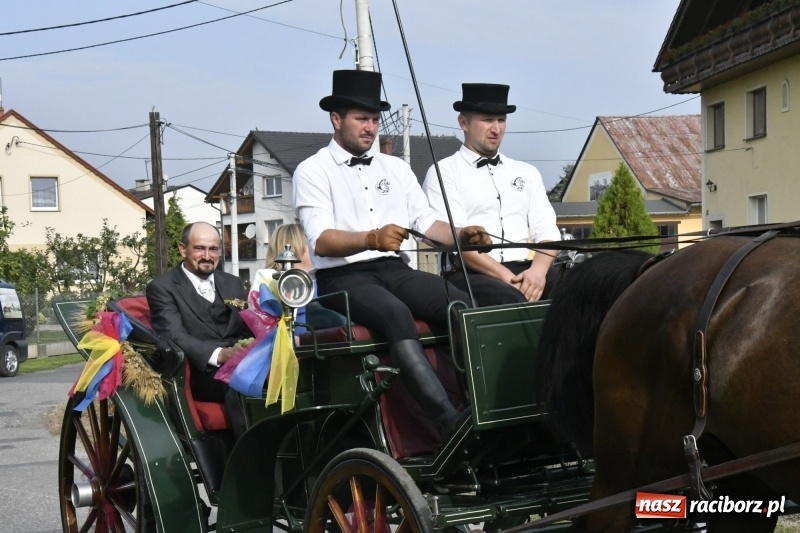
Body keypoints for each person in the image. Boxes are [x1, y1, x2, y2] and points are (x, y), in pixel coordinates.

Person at [292, 69, 491, 439]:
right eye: (361, 119)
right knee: (395, 315)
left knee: (461, 307)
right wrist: (371, 237)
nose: (370, 127)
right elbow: (321, 240)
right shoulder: (312, 170)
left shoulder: (396, 168)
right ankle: (447, 421)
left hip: (395, 269)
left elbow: (428, 225)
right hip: (344, 276)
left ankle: (483, 404)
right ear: (336, 119)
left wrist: (463, 235)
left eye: (374, 119)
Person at [423, 83, 561, 306]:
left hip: (526, 270)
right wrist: (510, 279)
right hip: (471, 274)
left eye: (501, 120)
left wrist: (537, 273)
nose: (496, 128)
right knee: (510, 297)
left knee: (582, 286)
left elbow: (547, 230)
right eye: (487, 120)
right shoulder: (443, 172)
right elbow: (460, 244)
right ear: (463, 123)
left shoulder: (527, 172)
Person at [146, 221, 252, 437]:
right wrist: (221, 355)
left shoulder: (233, 283)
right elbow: (173, 335)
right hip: (199, 373)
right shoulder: (161, 288)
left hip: (242, 362)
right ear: (182, 249)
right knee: (242, 383)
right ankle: (250, 459)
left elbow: (247, 326)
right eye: (199, 248)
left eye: (213, 249)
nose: (207, 256)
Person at [252, 223, 346, 333]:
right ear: (294, 251)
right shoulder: (267, 280)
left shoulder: (322, 280)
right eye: (311, 247)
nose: (317, 253)